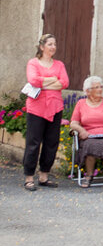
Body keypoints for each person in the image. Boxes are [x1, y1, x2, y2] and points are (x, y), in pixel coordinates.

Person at [23, 33, 69, 191]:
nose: (53, 47)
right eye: (50, 44)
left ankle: (44, 176)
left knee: (51, 143)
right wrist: (52, 79)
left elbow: (64, 82)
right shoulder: (33, 63)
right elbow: (33, 80)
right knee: (33, 143)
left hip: (55, 108)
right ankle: (29, 178)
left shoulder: (59, 65)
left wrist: (43, 81)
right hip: (37, 108)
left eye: (55, 44)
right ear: (42, 47)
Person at [70, 76, 103, 190]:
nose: (100, 90)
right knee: (89, 144)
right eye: (96, 87)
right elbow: (73, 123)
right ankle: (88, 176)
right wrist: (81, 130)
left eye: (101, 87)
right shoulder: (81, 103)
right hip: (89, 136)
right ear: (88, 91)